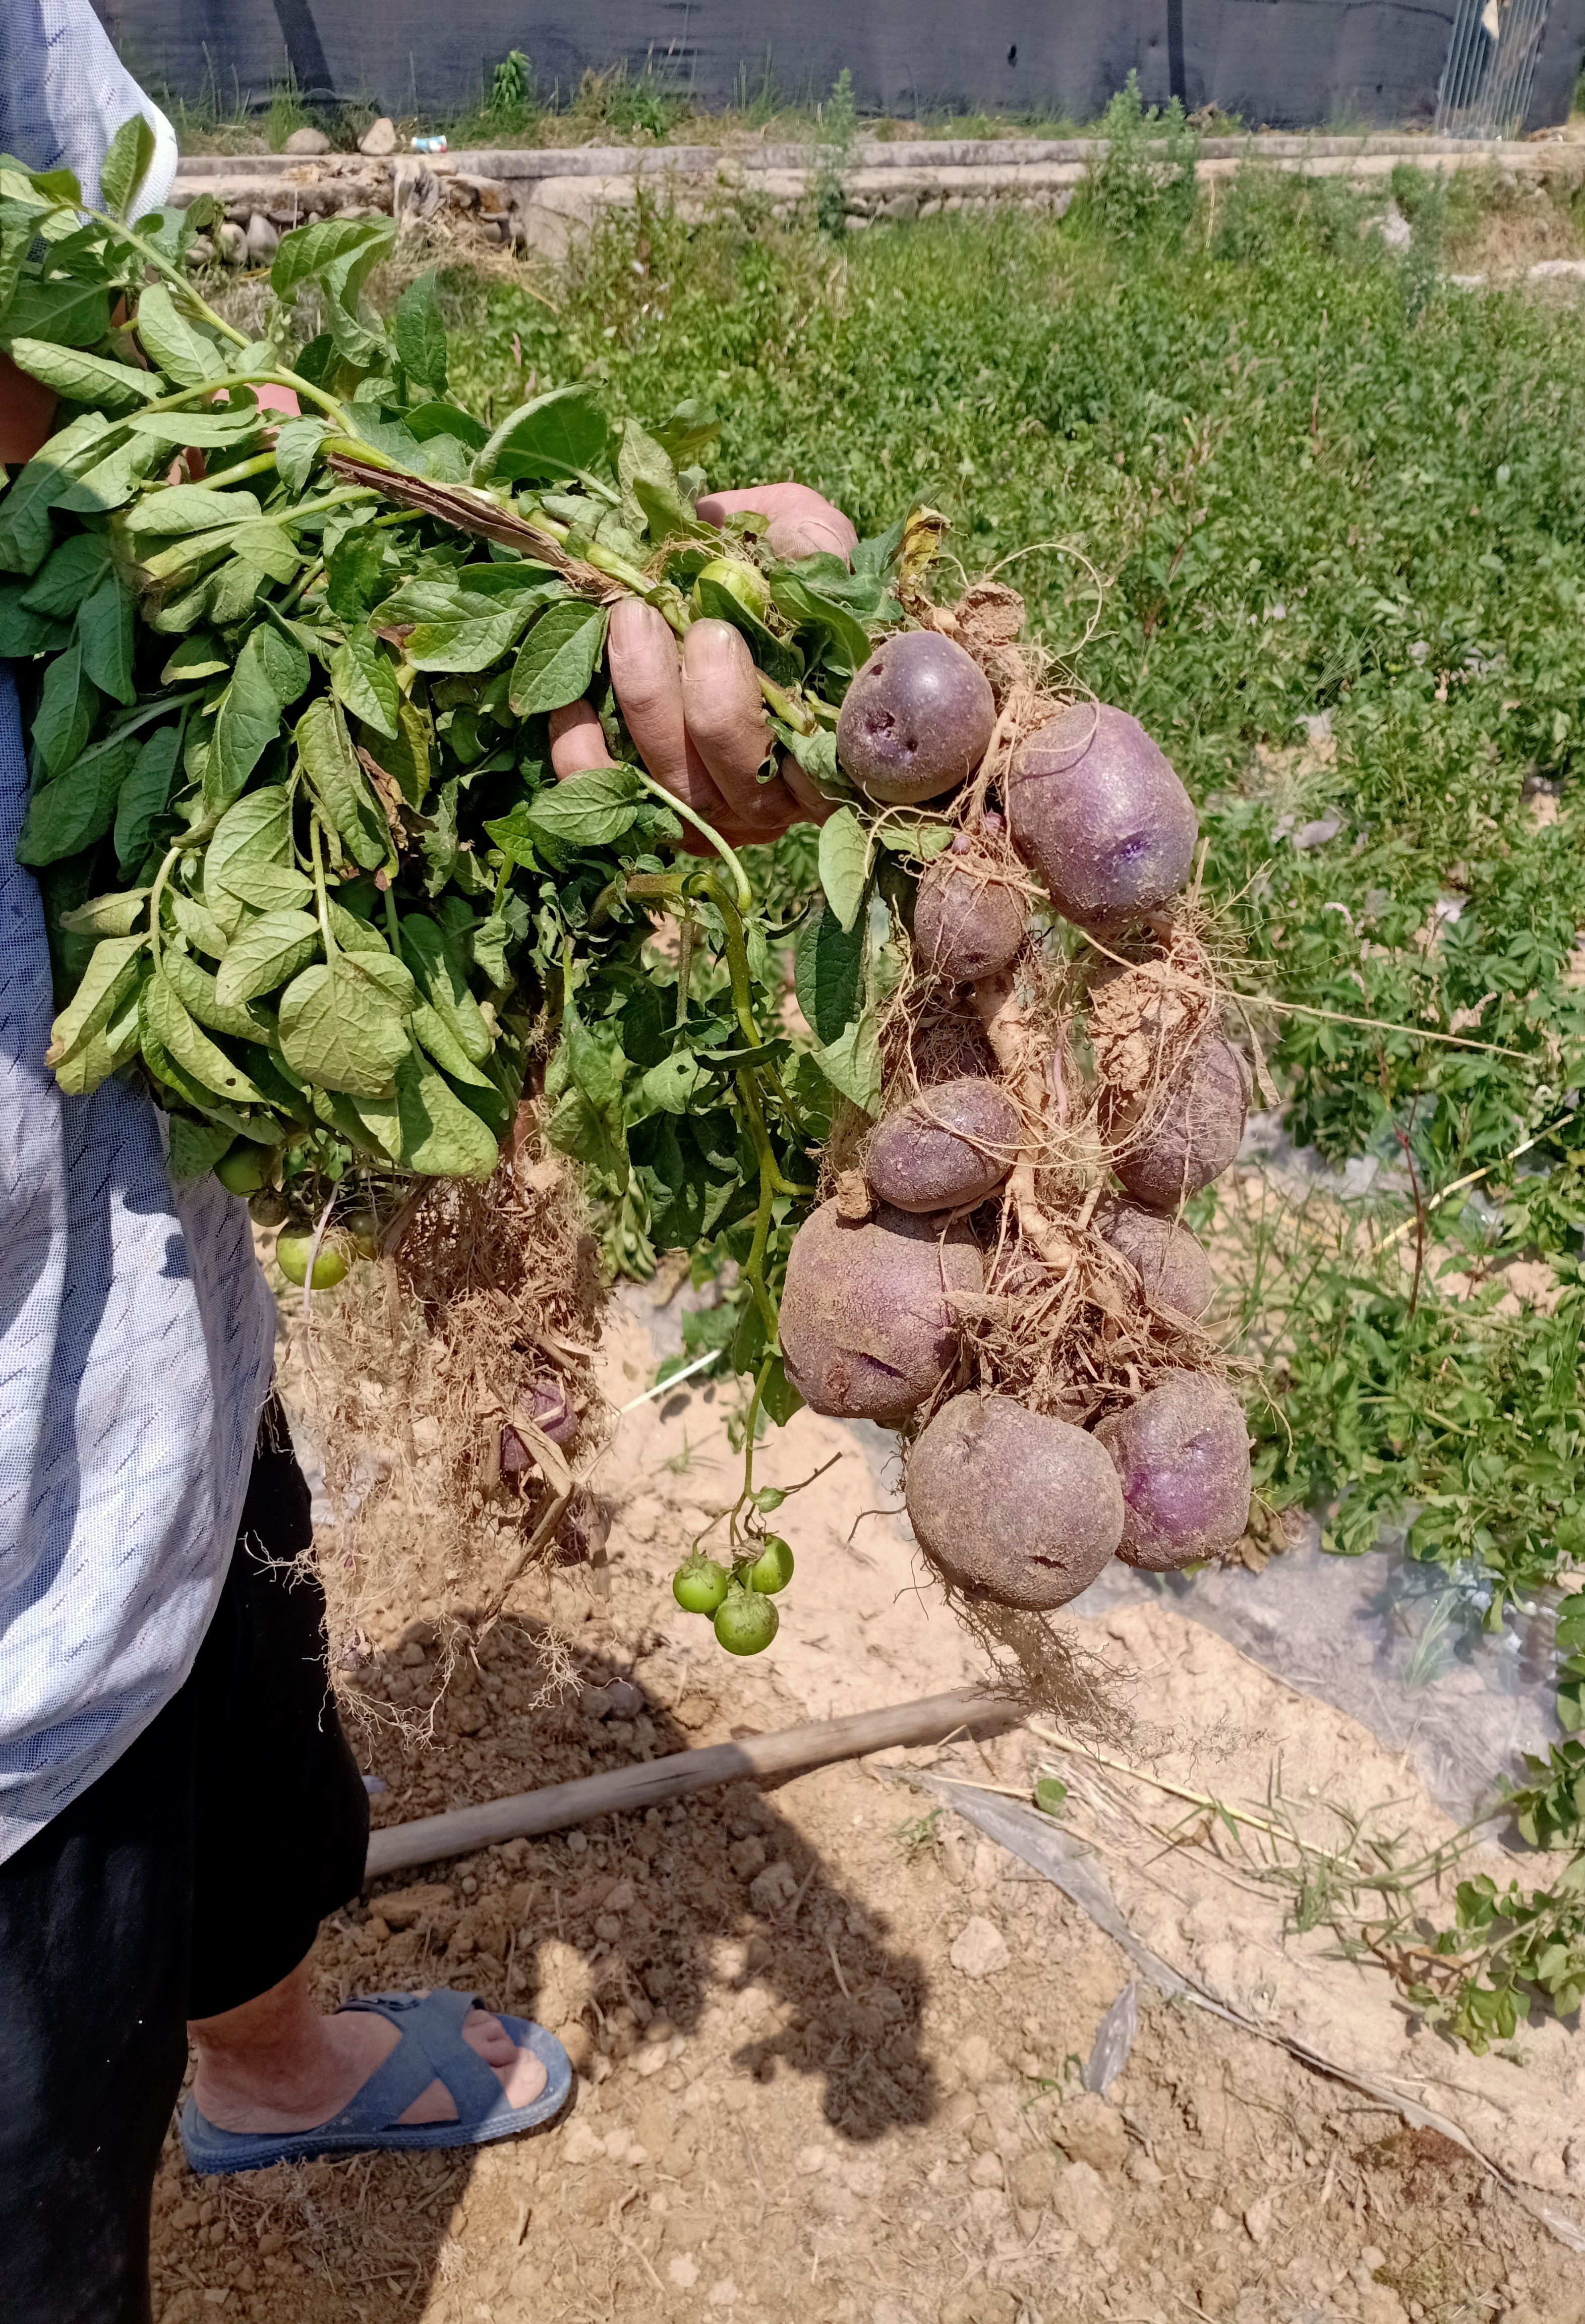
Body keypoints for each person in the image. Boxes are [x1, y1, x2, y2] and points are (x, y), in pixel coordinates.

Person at [0, 12, 853, 2318]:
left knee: (227, 1691)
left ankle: (266, 2059)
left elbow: (108, 347)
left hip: (119, 1258)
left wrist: (515, 639)